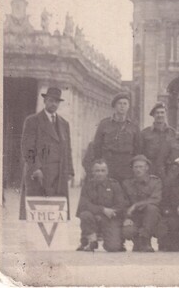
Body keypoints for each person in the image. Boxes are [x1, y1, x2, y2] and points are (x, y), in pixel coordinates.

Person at [19, 86, 74, 220]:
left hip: (58, 175)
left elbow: (67, 149)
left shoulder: (63, 123)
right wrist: (35, 168)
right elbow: (28, 147)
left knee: (56, 215)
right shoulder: (33, 120)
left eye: (56, 101)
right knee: (36, 213)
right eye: (50, 100)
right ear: (44, 101)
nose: (53, 104)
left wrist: (70, 171)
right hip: (40, 174)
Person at [76, 159, 127, 252]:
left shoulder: (114, 185)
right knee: (85, 215)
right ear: (92, 172)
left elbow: (120, 205)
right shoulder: (87, 185)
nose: (100, 173)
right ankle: (91, 240)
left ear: (107, 172)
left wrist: (111, 212)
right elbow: (83, 205)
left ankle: (107, 237)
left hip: (110, 218)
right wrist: (102, 210)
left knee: (113, 247)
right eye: (97, 171)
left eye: (102, 171)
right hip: (93, 217)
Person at [90, 92, 142, 183]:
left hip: (127, 165)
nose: (122, 106)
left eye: (125, 103)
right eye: (119, 103)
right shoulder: (104, 124)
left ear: (128, 106)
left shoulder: (134, 125)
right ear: (114, 106)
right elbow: (97, 146)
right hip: (109, 164)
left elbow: (138, 148)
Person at [121, 155, 163, 252]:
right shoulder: (126, 183)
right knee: (127, 231)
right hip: (134, 217)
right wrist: (126, 218)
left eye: (141, 167)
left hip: (151, 218)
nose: (138, 169)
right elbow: (123, 203)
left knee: (151, 208)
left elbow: (156, 199)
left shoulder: (155, 182)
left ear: (147, 168)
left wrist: (136, 205)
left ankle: (145, 240)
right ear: (132, 168)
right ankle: (137, 242)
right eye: (136, 167)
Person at [140, 102, 176, 181]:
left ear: (166, 114)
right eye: (157, 113)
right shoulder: (145, 133)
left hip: (167, 171)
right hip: (150, 170)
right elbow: (140, 153)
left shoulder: (172, 133)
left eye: (162, 112)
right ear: (153, 115)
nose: (160, 115)